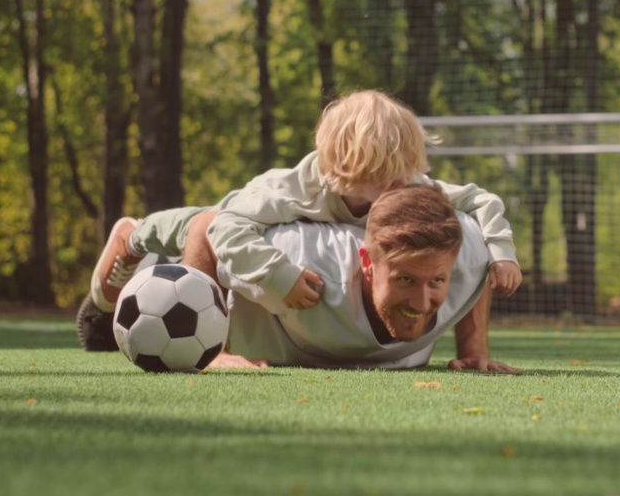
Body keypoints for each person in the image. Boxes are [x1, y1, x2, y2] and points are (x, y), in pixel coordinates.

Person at [77, 90, 522, 351]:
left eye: (404, 174)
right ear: (347, 174)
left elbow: (479, 201)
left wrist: (501, 252)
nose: (401, 190)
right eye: (385, 181)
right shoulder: (295, 192)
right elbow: (225, 228)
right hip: (227, 211)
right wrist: (278, 275)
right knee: (192, 223)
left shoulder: (407, 186)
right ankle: (131, 237)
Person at [197, 184, 517, 371]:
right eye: (404, 280)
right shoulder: (300, 258)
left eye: (436, 281)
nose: (421, 303)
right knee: (165, 229)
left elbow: (477, 253)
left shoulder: (468, 254)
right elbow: (204, 229)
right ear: (367, 264)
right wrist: (213, 354)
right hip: (230, 215)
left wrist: (474, 350)